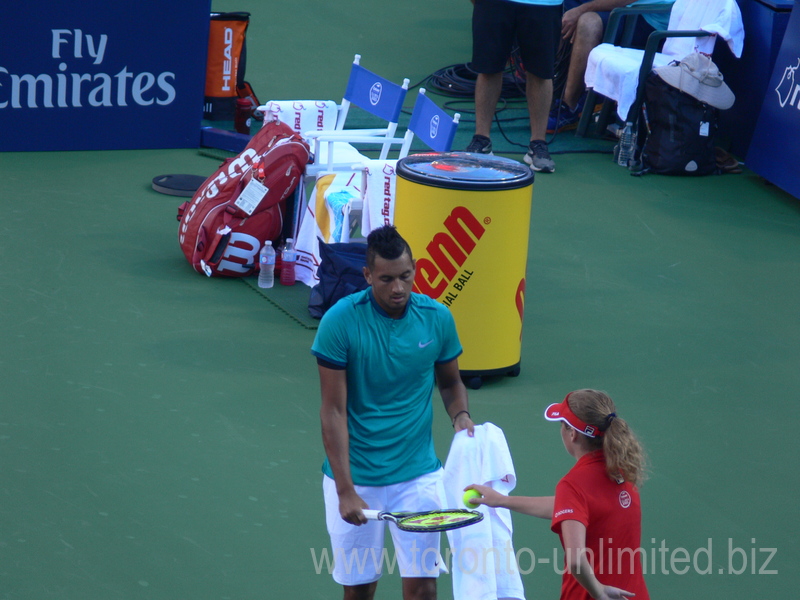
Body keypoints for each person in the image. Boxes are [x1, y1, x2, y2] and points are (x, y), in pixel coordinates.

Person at [312, 225, 474, 600]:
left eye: (405, 276)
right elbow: (332, 411)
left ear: (415, 268)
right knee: (359, 591)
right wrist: (346, 490)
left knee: (423, 591)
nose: (398, 288)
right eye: (386, 279)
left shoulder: (437, 318)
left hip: (418, 477)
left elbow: (450, 383)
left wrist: (460, 415)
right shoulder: (340, 322)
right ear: (367, 276)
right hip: (358, 478)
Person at [467, 389, 649, 600]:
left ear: (572, 434)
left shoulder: (572, 485)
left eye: (562, 424)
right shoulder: (623, 469)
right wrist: (502, 501)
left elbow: (576, 560)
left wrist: (599, 592)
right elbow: (576, 509)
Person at [466, 0, 563, 173]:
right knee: (488, 68)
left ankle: (538, 144)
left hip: (545, 4)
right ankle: (481, 140)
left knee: (541, 72)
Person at [548, 0, 674, 133]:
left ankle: (569, 106)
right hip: (629, 11)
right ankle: (560, 90)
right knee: (560, 4)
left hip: (651, 21)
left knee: (588, 22)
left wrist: (582, 9)